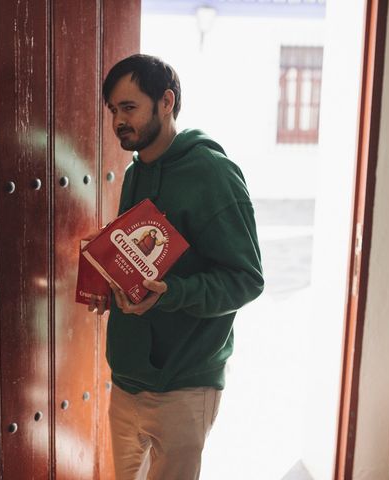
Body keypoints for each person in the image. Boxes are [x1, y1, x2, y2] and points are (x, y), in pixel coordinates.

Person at [91, 54, 264, 480]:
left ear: (166, 102)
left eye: (128, 107)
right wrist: (109, 286)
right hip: (128, 377)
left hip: (185, 382)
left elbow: (246, 279)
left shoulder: (213, 174)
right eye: (113, 110)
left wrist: (176, 294)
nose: (117, 121)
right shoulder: (135, 173)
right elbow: (141, 262)